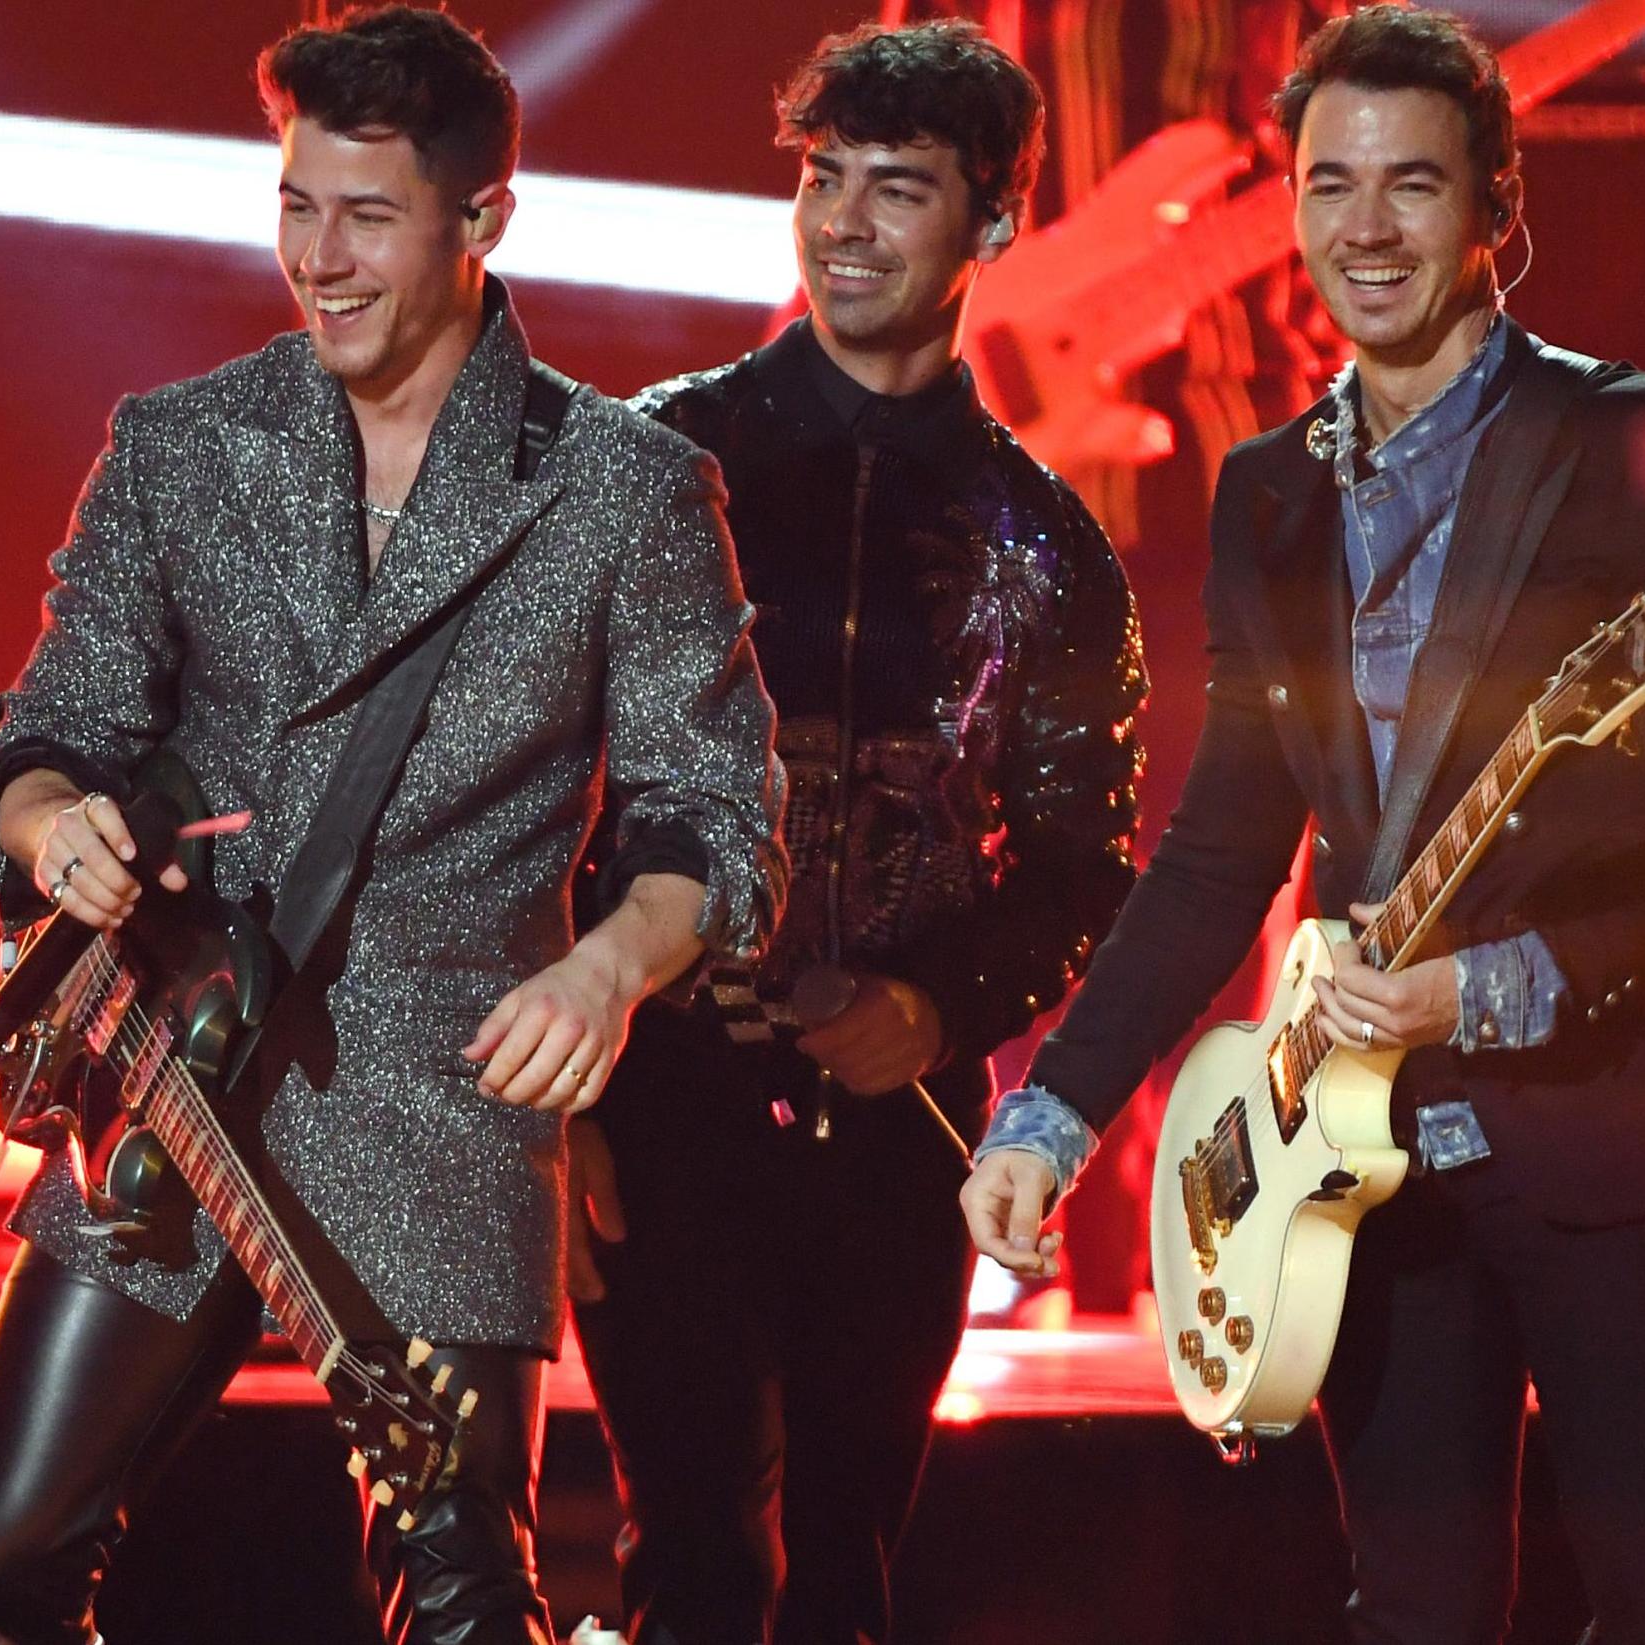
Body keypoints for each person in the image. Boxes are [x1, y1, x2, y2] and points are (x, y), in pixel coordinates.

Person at [0, 8, 784, 1644]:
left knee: (464, 1608)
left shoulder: (625, 488)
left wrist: (611, 967)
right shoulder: (179, 444)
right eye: (296, 206)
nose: (318, 260)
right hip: (169, 1079)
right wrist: (54, 831)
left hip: (439, 1102)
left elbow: (718, 816)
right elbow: (47, 730)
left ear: (483, 224)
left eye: (368, 217)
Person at [962, 8, 1645, 1643]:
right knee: (1407, 1617)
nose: (1367, 227)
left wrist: (1471, 994)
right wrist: (1052, 1115)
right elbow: (1219, 845)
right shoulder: (1266, 490)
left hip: (1610, 1133)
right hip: (1358, 1175)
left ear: (1496, 213)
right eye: (1332, 185)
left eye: (1413, 185)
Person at [565, 20, 1145, 1645]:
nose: (843, 224)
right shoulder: (648, 469)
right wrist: (552, 1107)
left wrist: (944, 1009)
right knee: (692, 1563)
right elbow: (511, 793)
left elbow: (1089, 862)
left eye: (897, 190)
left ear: (997, 223)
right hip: (655, 1113)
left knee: (845, 1583)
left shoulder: (1045, 545)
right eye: (823, 179)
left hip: (899, 1149)